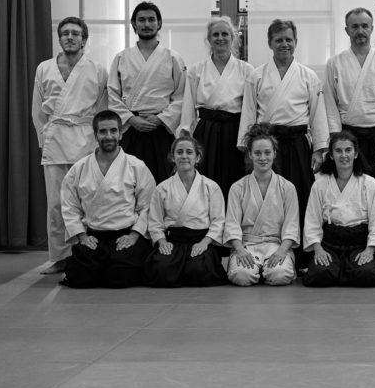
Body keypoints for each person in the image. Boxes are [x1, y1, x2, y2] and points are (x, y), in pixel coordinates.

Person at [238, 20, 328, 268]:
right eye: (279, 40)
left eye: (289, 39)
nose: (284, 44)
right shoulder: (256, 75)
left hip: (298, 143)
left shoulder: (308, 76)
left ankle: (303, 257)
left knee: (301, 196)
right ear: (270, 43)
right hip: (267, 145)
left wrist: (319, 149)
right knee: (269, 197)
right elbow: (249, 113)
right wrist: (247, 148)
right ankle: (267, 250)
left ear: (295, 42)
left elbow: (317, 115)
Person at [324, 7, 375, 273]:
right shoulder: (335, 63)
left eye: (364, 26)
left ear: (372, 29)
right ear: (346, 30)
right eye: (355, 26)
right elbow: (330, 105)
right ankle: (350, 254)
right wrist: (337, 144)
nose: (360, 31)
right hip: (348, 139)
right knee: (351, 198)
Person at [31, 16, 108, 274]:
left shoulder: (98, 70)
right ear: (59, 38)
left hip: (85, 140)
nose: (70, 37)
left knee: (87, 201)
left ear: (84, 39)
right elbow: (37, 110)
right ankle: (60, 257)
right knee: (56, 204)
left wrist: (100, 142)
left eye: (75, 33)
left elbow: (102, 110)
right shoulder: (44, 68)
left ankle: (87, 254)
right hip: (55, 139)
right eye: (65, 33)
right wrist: (44, 139)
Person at [60, 110, 155, 288]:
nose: (109, 136)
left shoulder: (136, 166)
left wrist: (134, 236)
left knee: (119, 278)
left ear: (121, 133)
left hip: (125, 235)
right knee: (80, 278)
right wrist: (82, 236)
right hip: (94, 237)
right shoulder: (79, 168)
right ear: (95, 134)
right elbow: (69, 207)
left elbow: (147, 206)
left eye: (113, 130)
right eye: (103, 131)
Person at [108, 1, 186, 183]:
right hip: (131, 129)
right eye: (141, 20)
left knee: (163, 180)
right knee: (129, 180)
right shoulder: (121, 57)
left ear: (159, 23)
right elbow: (112, 95)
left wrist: (161, 118)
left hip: (161, 129)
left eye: (151, 19)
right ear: (134, 24)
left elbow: (181, 95)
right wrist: (131, 119)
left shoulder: (173, 58)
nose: (146, 24)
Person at [302, 131, 375, 287]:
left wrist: (370, 249)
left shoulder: (370, 184)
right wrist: (318, 249)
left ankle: (342, 271)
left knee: (367, 274)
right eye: (338, 151)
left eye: (348, 150)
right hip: (330, 242)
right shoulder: (320, 184)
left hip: (359, 243)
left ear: (355, 154)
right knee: (319, 275)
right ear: (331, 155)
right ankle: (342, 270)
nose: (343, 155)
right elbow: (312, 220)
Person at [180, 17, 251, 198]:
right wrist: (186, 134)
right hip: (206, 131)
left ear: (233, 38)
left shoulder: (246, 70)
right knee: (205, 175)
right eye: (215, 35)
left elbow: (249, 110)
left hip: (234, 131)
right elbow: (188, 107)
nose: (220, 38)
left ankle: (232, 213)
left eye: (225, 34)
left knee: (233, 176)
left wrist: (246, 140)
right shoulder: (196, 70)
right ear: (209, 39)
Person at [145, 136, 228, 287]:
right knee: (162, 271)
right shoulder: (162, 188)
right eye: (179, 152)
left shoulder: (211, 187)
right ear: (172, 157)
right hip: (174, 241)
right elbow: (155, 222)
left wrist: (205, 243)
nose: (184, 156)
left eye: (189, 152)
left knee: (199, 271)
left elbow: (218, 221)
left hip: (201, 240)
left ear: (197, 157)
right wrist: (162, 242)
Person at [224, 123, 300, 286]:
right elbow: (232, 224)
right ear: (250, 155)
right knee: (241, 276)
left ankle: (268, 269)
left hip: (276, 245)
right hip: (246, 245)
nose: (263, 158)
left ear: (274, 153)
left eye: (267, 152)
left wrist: (282, 251)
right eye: (257, 153)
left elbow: (292, 225)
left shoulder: (287, 187)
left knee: (280, 275)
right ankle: (256, 269)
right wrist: (240, 250)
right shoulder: (238, 187)